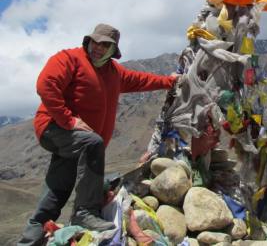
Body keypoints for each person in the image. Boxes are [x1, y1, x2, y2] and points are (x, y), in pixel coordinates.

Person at [18, 24, 178, 246]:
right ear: (88, 41)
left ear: (113, 50)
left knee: (57, 189)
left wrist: (169, 82)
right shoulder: (69, 58)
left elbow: (141, 80)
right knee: (92, 143)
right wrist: (68, 120)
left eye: (105, 45)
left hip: (76, 143)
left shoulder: (114, 72)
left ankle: (29, 239)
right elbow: (46, 84)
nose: (98, 48)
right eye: (95, 42)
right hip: (54, 128)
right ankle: (85, 211)